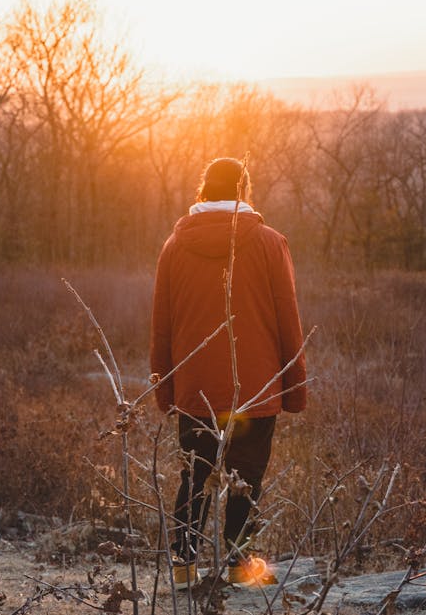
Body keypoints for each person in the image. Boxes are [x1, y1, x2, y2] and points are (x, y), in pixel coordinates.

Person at [150, 157, 306, 588]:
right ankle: (240, 566)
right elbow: (287, 320)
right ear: (244, 190)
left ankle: (183, 568)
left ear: (203, 190)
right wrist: (294, 388)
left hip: (195, 387)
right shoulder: (271, 243)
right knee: (248, 477)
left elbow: (161, 325)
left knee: (195, 476)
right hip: (255, 387)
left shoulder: (174, 246)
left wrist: (164, 389)